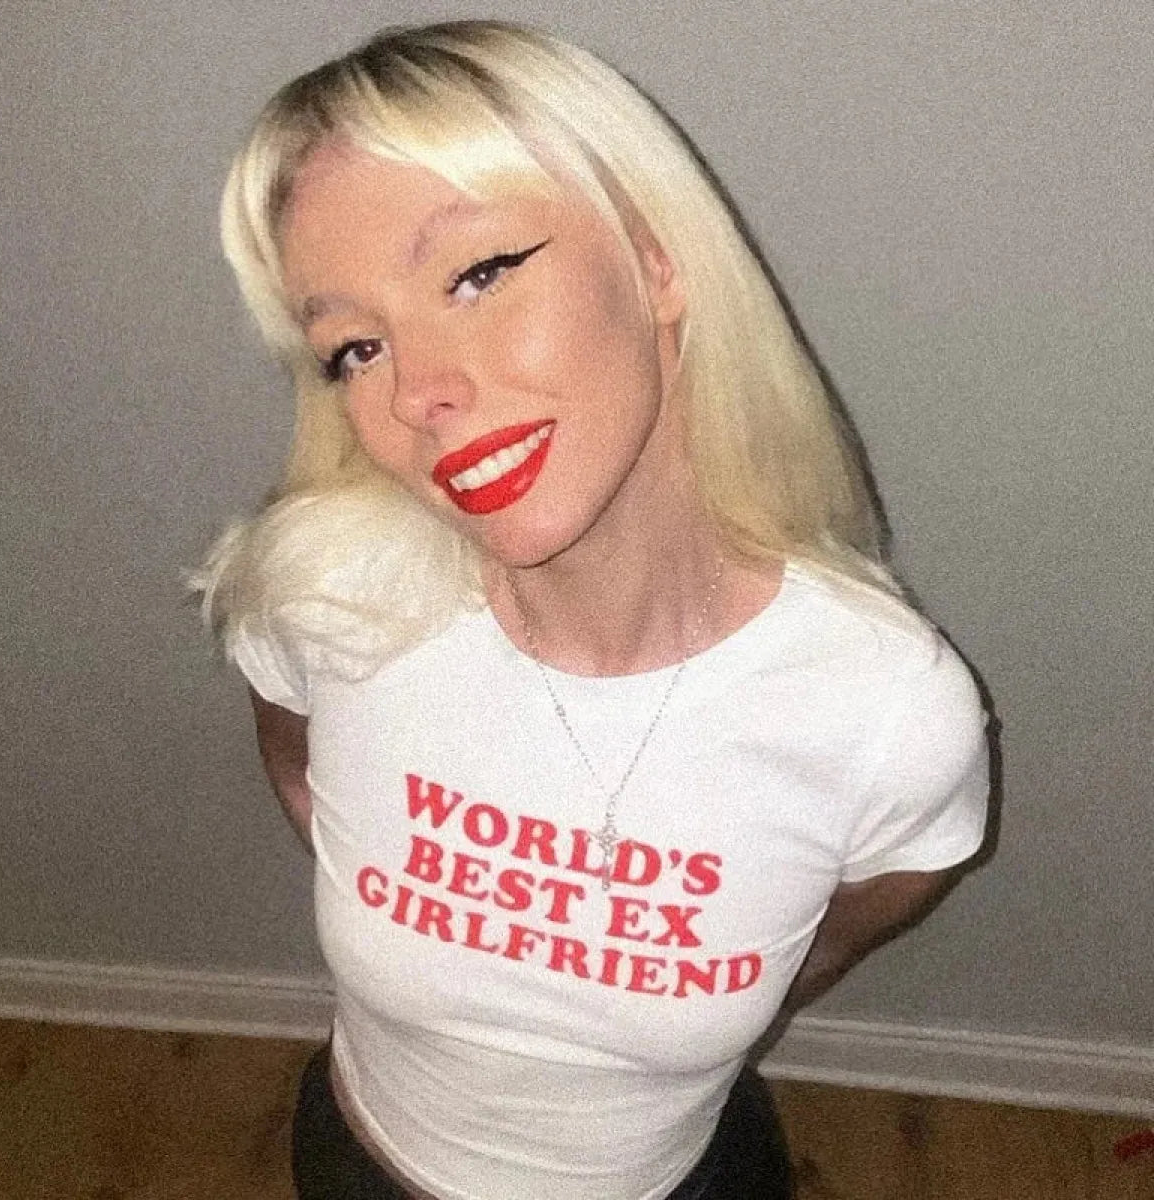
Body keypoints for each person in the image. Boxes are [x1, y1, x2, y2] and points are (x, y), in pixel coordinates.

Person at [196, 20, 990, 1200]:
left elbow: (858, 912)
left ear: (657, 261)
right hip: (359, 1163)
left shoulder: (886, 707)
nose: (420, 392)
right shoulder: (325, 588)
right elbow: (296, 756)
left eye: (477, 274)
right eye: (355, 346)